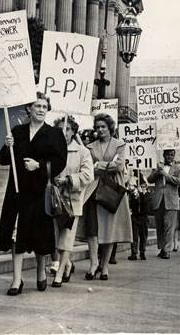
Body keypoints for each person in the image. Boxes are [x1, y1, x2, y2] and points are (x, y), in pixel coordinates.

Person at [0, 93, 67, 295]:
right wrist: (7, 145)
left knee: (39, 235)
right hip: (17, 192)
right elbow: (3, 159)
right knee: (16, 236)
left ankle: (40, 270)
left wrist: (40, 166)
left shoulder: (54, 134)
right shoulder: (17, 132)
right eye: (37, 105)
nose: (42, 109)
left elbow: (60, 162)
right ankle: (16, 279)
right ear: (29, 108)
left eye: (45, 106)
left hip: (39, 192)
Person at [83, 113, 132, 280]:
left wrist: (99, 166)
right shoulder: (90, 147)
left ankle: (104, 266)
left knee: (109, 229)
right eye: (97, 127)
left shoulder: (119, 144)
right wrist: (104, 166)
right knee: (92, 229)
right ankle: (93, 263)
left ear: (110, 127)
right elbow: (89, 168)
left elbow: (119, 166)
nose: (100, 130)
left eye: (103, 126)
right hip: (93, 190)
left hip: (111, 190)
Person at [51, 116, 94, 287]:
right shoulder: (52, 149)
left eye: (67, 129)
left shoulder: (82, 152)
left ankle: (60, 273)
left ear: (74, 131)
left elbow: (88, 175)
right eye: (61, 129)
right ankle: (67, 264)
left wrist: (69, 180)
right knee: (54, 239)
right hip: (53, 200)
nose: (64, 133)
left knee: (66, 238)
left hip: (71, 201)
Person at [147, 149, 180, 259]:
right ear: (163, 155)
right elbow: (149, 180)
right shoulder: (158, 167)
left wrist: (166, 175)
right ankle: (163, 248)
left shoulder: (178, 169)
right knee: (160, 226)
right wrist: (157, 172)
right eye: (167, 154)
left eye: (171, 155)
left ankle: (167, 250)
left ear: (174, 156)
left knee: (169, 227)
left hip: (171, 202)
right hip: (159, 201)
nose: (169, 157)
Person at [127, 179, 149, 261]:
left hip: (143, 217)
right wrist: (135, 195)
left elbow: (145, 203)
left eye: (144, 187)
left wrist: (142, 194)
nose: (142, 188)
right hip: (135, 216)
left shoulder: (147, 195)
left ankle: (142, 252)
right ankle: (134, 253)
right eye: (141, 186)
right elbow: (131, 204)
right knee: (134, 235)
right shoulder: (133, 194)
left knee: (143, 235)